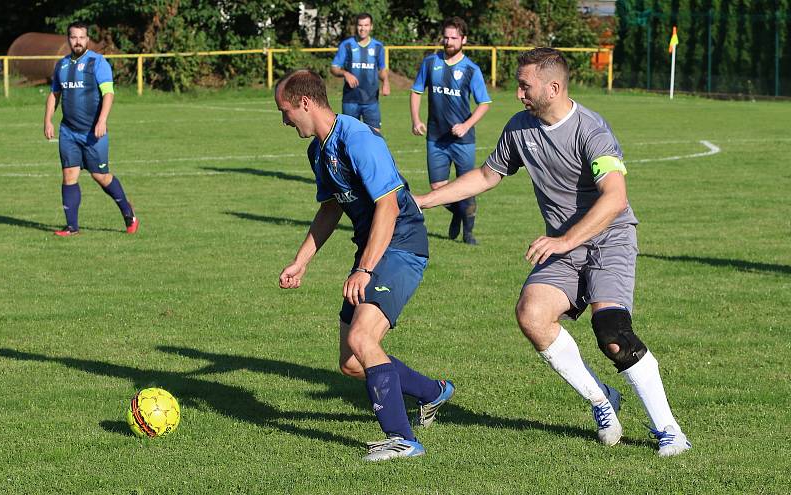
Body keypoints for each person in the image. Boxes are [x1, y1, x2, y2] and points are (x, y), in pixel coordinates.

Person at [415, 48, 692, 457]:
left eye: (525, 85)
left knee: (612, 333)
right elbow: (487, 176)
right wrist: (424, 200)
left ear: (553, 87)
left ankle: (670, 431)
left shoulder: (591, 130)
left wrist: (564, 240)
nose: (518, 93)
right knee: (532, 315)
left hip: (608, 238)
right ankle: (601, 399)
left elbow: (615, 199)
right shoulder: (519, 129)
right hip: (564, 245)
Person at [274, 69, 454, 462]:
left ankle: (403, 440)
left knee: (362, 340)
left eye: (285, 110)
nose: (284, 119)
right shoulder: (317, 150)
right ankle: (434, 391)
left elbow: (388, 206)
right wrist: (301, 262)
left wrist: (365, 268)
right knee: (352, 363)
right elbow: (331, 206)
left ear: (305, 103)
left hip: (401, 243)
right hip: (373, 249)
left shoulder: (357, 138)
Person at [43, 22, 138, 237]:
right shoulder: (61, 65)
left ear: (87, 39)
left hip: (93, 132)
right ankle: (72, 227)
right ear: (68, 39)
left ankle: (128, 212)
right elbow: (54, 95)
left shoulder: (98, 62)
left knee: (100, 176)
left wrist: (102, 120)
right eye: (73, 37)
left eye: (81, 37)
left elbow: (108, 93)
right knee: (69, 175)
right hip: (68, 131)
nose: (77, 41)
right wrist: (48, 120)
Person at [410, 16, 491, 245]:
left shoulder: (471, 69)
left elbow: (484, 103)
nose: (449, 42)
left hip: (463, 140)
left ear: (463, 39)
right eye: (445, 37)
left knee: (467, 186)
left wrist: (466, 125)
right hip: (436, 137)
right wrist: (415, 119)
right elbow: (416, 92)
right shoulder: (430, 63)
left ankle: (468, 233)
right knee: (437, 187)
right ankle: (458, 213)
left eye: (454, 37)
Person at [330, 13, 390, 132]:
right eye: (360, 25)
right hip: (350, 100)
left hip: (371, 100)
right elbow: (334, 68)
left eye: (366, 25)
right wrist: (345, 74)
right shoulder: (346, 45)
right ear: (356, 26)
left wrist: (386, 81)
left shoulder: (378, 47)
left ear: (371, 26)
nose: (363, 28)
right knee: (350, 137)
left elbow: (382, 69)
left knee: (375, 137)